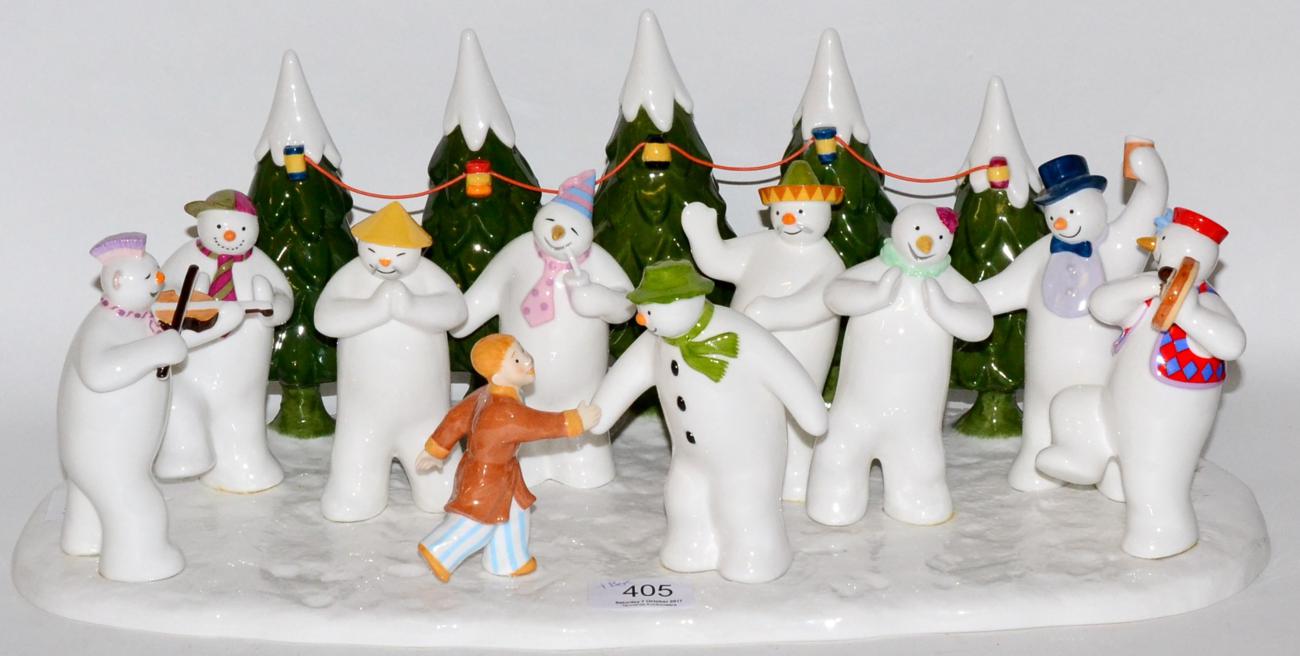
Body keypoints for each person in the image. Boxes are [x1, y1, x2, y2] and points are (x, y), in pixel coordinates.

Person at [414, 333, 600, 582]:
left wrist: (436, 449)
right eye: (516, 359)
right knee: (480, 522)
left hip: (499, 472)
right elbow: (538, 424)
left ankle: (507, 559)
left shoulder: (485, 394)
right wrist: (576, 421)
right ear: (498, 375)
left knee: (515, 512)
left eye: (522, 351)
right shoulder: (506, 411)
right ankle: (441, 551)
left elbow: (455, 418)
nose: (527, 359)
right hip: (488, 478)